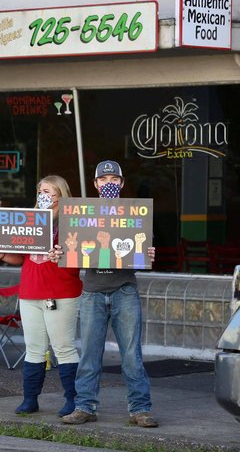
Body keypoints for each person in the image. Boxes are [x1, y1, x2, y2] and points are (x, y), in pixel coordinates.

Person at [55, 160, 158, 428]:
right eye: (104, 179)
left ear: (122, 183)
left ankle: (140, 408)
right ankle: (85, 406)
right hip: (92, 292)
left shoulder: (135, 214)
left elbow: (141, 249)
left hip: (125, 289)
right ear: (96, 184)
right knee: (89, 353)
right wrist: (60, 253)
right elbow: (71, 248)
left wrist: (147, 253)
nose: (109, 183)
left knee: (132, 354)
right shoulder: (82, 212)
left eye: (114, 179)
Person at [0, 175, 82, 416]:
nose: (44, 196)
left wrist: (62, 256)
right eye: (40, 191)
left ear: (61, 195)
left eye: (49, 192)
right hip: (30, 292)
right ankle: (30, 399)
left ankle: (74, 400)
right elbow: (20, 257)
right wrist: (1, 255)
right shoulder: (30, 221)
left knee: (63, 348)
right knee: (34, 348)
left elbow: (81, 261)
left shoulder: (74, 222)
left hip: (61, 292)